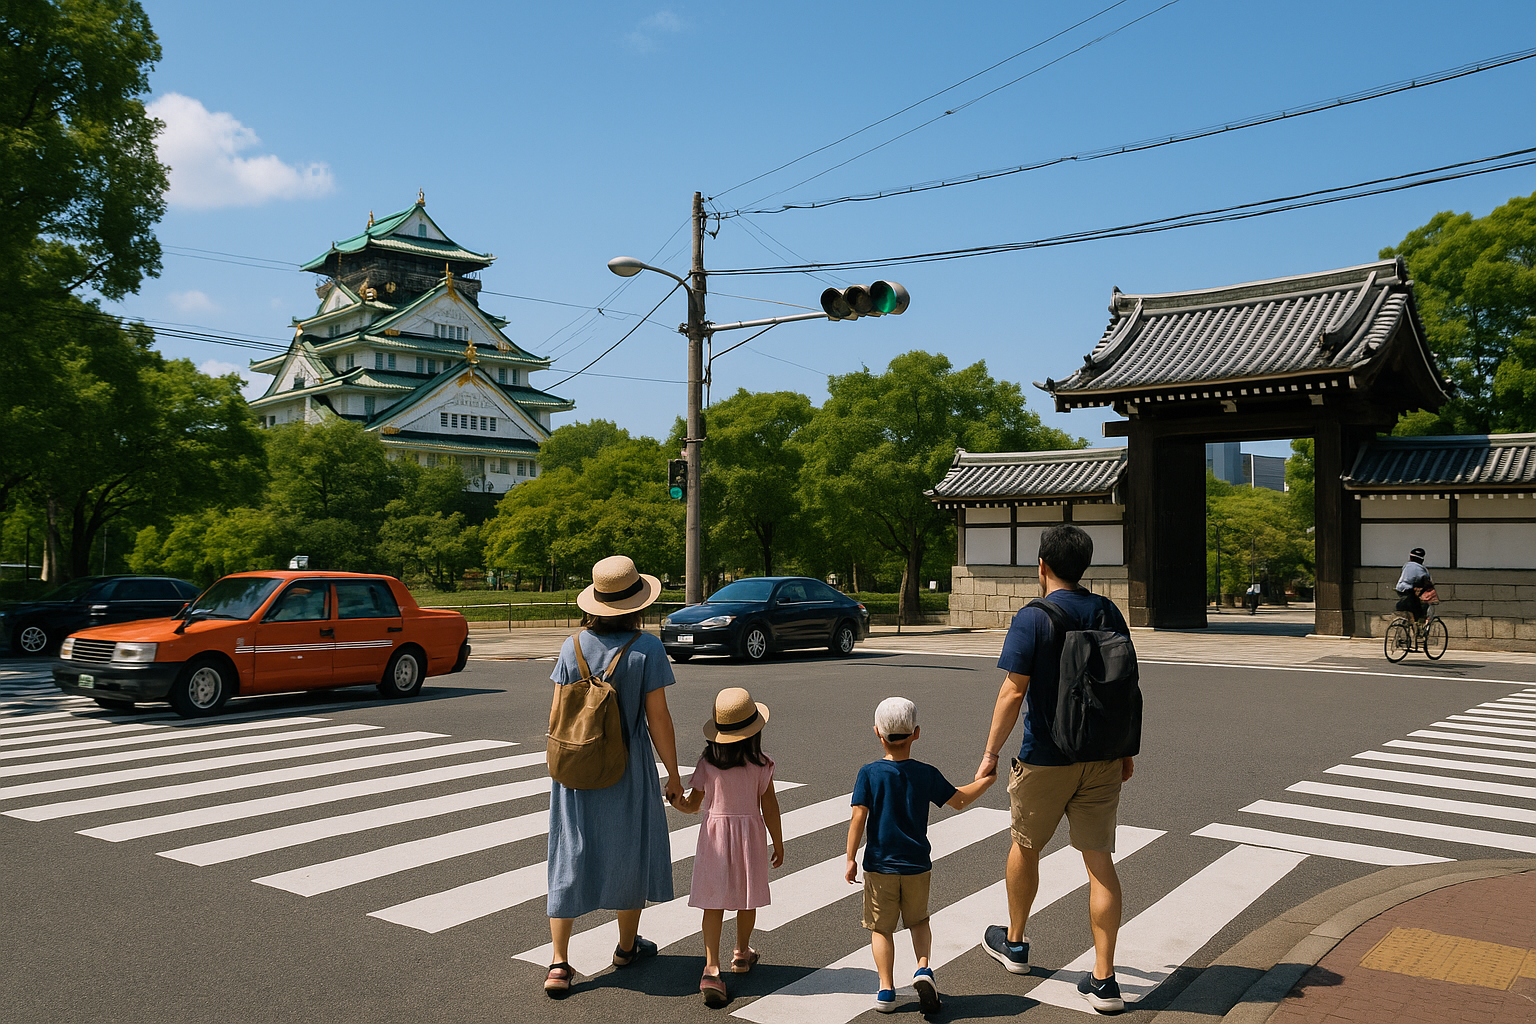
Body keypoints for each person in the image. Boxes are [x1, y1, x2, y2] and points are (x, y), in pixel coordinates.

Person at [977, 524, 1136, 1015]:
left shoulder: (1033, 618)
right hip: (1102, 755)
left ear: (1041, 565)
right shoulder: (1109, 611)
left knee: (1025, 846)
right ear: (1085, 566)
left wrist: (989, 754)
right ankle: (1105, 980)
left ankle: (1017, 944)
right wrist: (1126, 749)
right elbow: (1126, 685)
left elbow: (1014, 690)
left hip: (1045, 755)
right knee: (1100, 863)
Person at [542, 555, 684, 998]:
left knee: (570, 851)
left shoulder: (573, 646)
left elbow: (556, 712)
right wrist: (674, 775)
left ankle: (560, 962)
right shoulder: (647, 649)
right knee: (628, 848)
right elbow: (658, 718)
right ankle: (625, 947)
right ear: (636, 604)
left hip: (575, 766)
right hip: (628, 765)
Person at [846, 696, 995, 1015]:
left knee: (881, 929)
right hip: (917, 865)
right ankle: (923, 967)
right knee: (918, 921)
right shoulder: (925, 773)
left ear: (877, 733)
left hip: (880, 866)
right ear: (916, 733)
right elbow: (958, 800)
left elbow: (859, 816)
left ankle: (886, 990)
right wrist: (985, 781)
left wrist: (849, 858)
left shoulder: (869, 773)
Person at [669, 687, 786, 1008]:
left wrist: (677, 802)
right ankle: (742, 953)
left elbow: (693, 805)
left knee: (714, 903)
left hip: (714, 839)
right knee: (747, 899)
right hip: (749, 835)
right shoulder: (762, 763)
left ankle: (710, 966)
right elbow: (770, 806)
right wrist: (777, 841)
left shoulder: (708, 762)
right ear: (755, 731)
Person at [1395, 547, 1434, 630]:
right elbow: (1426, 582)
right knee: (1422, 606)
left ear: (1411, 558)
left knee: (1409, 604)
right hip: (1410, 592)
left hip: (1400, 590)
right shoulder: (1421, 569)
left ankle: (1408, 622)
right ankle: (1419, 624)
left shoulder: (1406, 566)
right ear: (1421, 560)